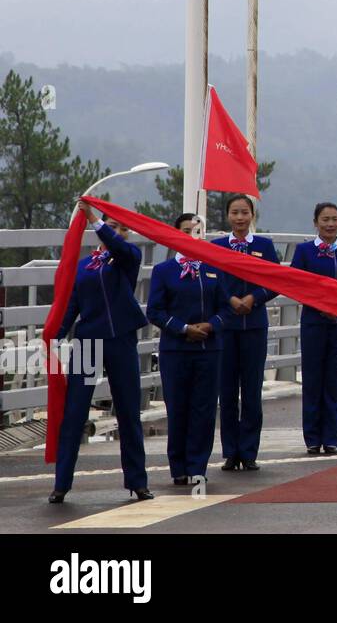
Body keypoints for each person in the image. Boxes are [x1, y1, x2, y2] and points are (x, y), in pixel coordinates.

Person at [49, 201, 153, 504]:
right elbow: (71, 304)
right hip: (88, 342)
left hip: (121, 338)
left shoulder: (128, 257)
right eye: (114, 226)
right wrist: (53, 336)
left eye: (124, 228)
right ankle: (61, 484)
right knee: (74, 413)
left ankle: (138, 482)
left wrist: (95, 218)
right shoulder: (82, 266)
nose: (120, 232)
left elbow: (117, 247)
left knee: (128, 411)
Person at [147, 213, 233, 486]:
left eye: (197, 231)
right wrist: (184, 328)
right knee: (178, 409)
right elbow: (155, 311)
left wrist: (210, 325)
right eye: (186, 231)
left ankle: (198, 465)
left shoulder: (215, 268)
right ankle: (178, 467)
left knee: (204, 409)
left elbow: (227, 308)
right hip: (175, 350)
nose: (191, 236)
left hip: (209, 349)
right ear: (175, 235)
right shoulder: (164, 271)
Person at [289, 202, 337, 455]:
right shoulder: (304, 251)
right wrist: (321, 306)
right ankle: (312, 438)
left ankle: (331, 437)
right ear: (315, 223)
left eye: (334, 219)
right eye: (325, 219)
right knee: (312, 381)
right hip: (313, 324)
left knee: (335, 381)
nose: (330, 224)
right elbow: (295, 285)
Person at [211, 194, 280, 472]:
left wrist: (255, 298)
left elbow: (275, 281)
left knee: (251, 391)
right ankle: (230, 451)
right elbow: (212, 281)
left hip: (254, 325)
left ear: (252, 216)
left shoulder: (263, 245)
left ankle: (249, 451)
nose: (240, 218)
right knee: (226, 392)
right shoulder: (217, 246)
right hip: (225, 326)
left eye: (244, 212)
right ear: (228, 216)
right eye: (235, 213)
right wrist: (229, 300)